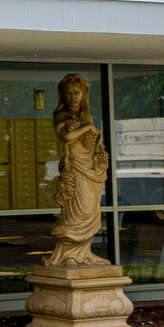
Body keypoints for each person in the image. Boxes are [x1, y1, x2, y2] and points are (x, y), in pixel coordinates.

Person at [48, 72, 111, 267]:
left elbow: (88, 141)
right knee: (76, 209)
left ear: (84, 95)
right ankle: (68, 254)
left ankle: (84, 253)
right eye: (69, 93)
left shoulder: (86, 115)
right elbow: (67, 137)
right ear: (63, 95)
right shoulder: (60, 115)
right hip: (75, 166)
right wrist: (90, 129)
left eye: (77, 93)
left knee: (91, 208)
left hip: (90, 167)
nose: (74, 97)